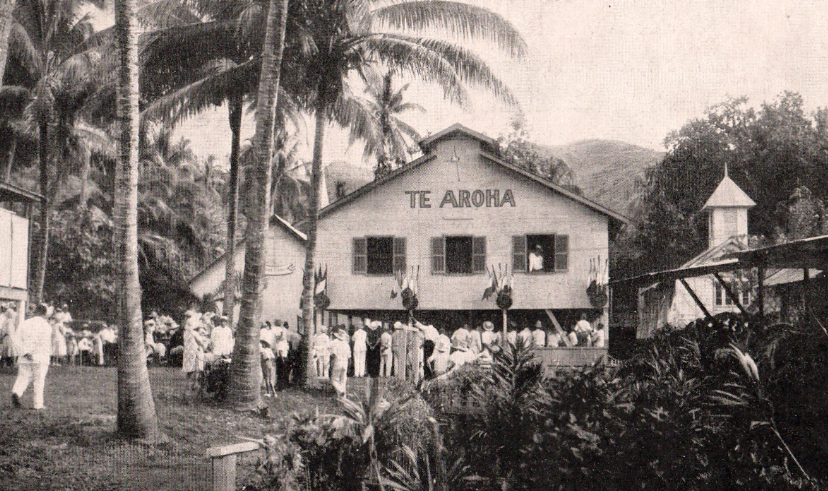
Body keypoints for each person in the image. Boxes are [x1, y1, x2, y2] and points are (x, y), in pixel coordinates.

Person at [11, 304, 53, 410]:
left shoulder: (24, 323)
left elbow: (16, 339)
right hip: (40, 357)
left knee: (23, 377)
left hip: (25, 356)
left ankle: (17, 392)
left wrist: (25, 352)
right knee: (39, 380)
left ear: (35, 312)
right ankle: (38, 404)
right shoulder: (47, 326)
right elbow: (45, 343)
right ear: (45, 313)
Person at [328, 328, 351, 399]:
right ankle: (342, 398)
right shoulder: (346, 344)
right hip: (345, 362)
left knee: (334, 380)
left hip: (338, 361)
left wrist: (331, 363)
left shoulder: (334, 342)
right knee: (343, 380)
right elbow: (349, 356)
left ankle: (340, 391)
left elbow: (333, 354)